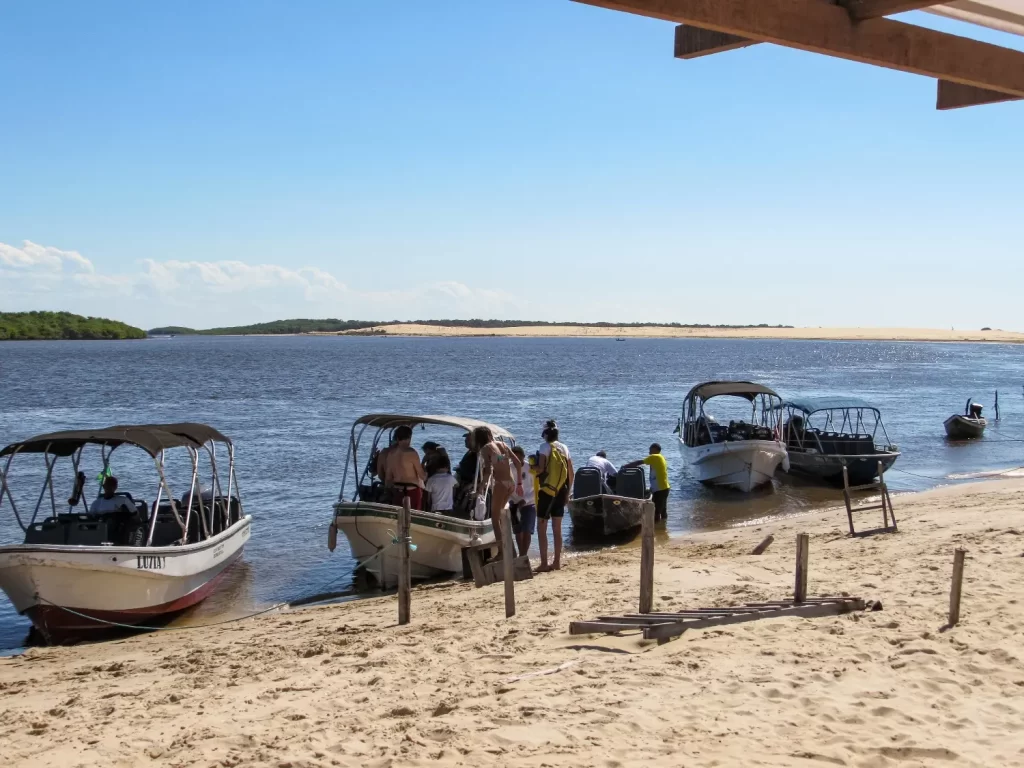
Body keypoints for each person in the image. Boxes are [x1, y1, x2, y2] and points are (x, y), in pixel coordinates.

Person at [474, 426, 522, 558]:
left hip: (500, 484)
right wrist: (519, 484)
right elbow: (517, 463)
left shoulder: (485, 449)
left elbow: (488, 471)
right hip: (510, 483)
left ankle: (502, 551)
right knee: (501, 518)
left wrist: (480, 487)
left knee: (495, 519)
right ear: (490, 434)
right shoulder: (502, 444)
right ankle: (510, 549)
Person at [536, 421, 573, 572]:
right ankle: (557, 562)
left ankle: (544, 563)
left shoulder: (545, 447)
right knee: (557, 529)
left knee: (541, 528)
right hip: (561, 490)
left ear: (545, 434)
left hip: (546, 491)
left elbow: (541, 468)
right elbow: (571, 473)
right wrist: (568, 493)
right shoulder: (564, 448)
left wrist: (532, 467)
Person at [381, 425, 426, 509]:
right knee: (413, 517)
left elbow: (388, 478)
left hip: (398, 491)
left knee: (398, 517)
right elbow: (422, 476)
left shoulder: (391, 454)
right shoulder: (412, 453)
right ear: (410, 437)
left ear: (397, 438)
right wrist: (426, 473)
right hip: (412, 491)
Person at [623, 443, 671, 522]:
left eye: (650, 450)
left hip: (660, 489)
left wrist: (626, 466)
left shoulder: (655, 456)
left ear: (655, 449)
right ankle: (663, 529)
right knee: (663, 510)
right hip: (664, 487)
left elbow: (639, 462)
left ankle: (656, 529)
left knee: (656, 511)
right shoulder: (661, 457)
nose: (649, 452)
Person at [509, 446, 537, 557]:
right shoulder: (509, 468)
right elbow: (498, 460)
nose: (515, 459)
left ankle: (523, 555)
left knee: (527, 530)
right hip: (514, 502)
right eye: (513, 456)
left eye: (518, 456)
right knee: (518, 530)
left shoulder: (529, 468)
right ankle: (521, 554)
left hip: (529, 502)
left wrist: (524, 500)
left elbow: (536, 488)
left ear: (523, 457)